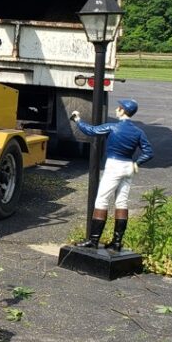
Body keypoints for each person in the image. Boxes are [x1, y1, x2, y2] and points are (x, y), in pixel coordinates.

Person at [70, 98, 153, 252]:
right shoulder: (138, 132)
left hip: (114, 165)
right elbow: (149, 152)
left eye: (118, 108)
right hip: (128, 166)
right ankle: (116, 242)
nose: (116, 110)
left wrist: (78, 119)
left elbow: (92, 131)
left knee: (101, 200)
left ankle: (93, 240)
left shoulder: (113, 127)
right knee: (122, 202)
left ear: (122, 111)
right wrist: (137, 163)